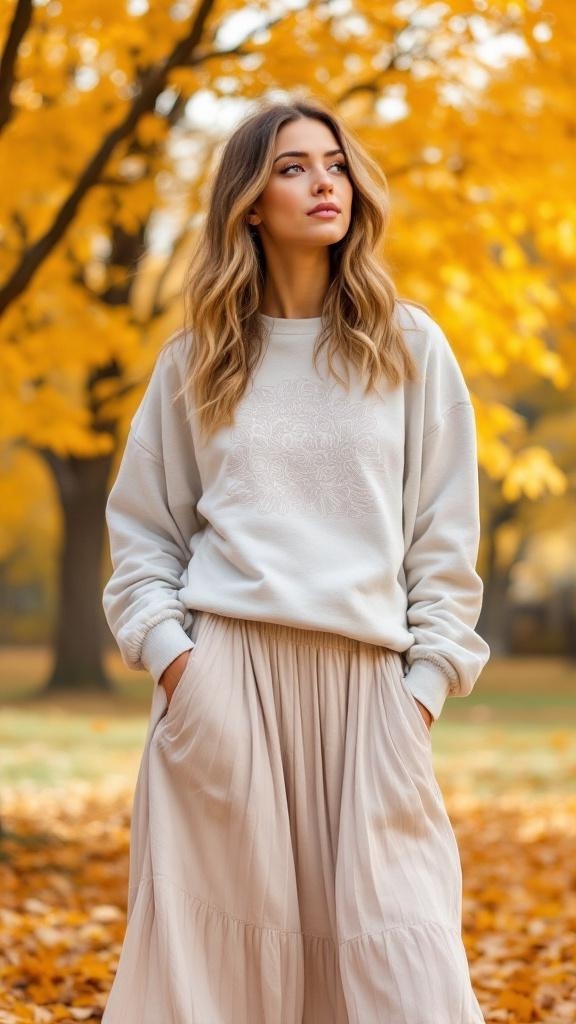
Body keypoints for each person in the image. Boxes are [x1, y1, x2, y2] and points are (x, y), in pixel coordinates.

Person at [101, 97, 490, 1023]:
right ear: (248, 204)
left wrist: (421, 694)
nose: (325, 183)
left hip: (371, 692)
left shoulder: (409, 347)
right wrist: (181, 670)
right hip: (227, 682)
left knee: (404, 962)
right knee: (220, 976)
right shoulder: (197, 361)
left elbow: (444, 540)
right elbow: (143, 539)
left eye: (335, 164)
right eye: (293, 167)